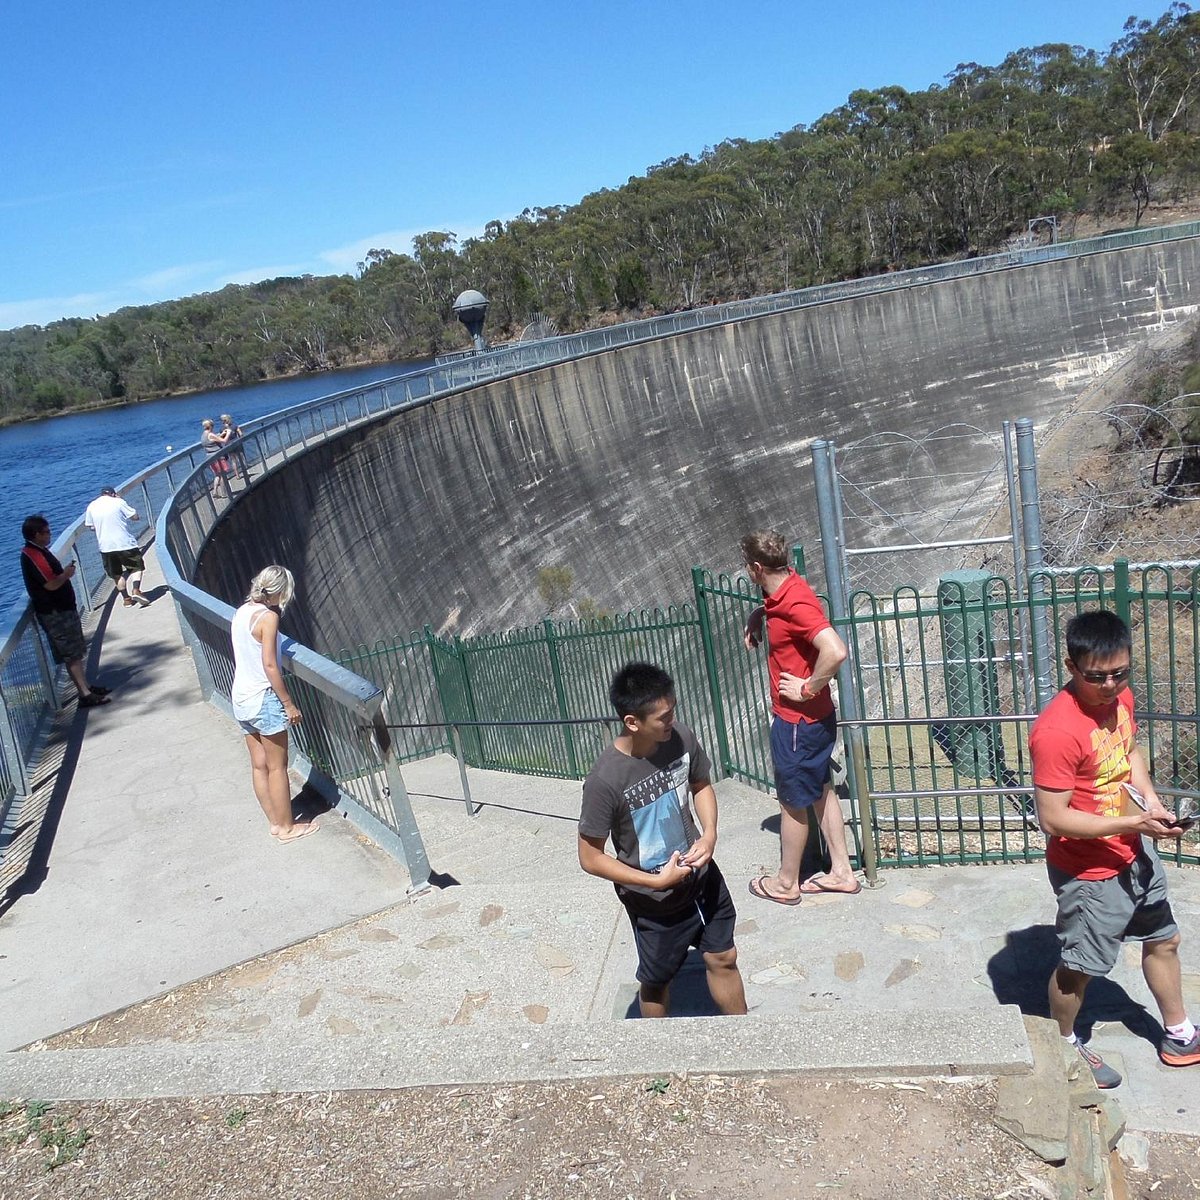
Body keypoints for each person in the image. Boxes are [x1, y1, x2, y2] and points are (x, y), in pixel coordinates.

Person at [1030, 609, 1199, 1089]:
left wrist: (1153, 807)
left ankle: (1180, 1034)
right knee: (1077, 971)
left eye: (1120, 673)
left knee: (1164, 939)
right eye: (1097, 676)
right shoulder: (1057, 731)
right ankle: (1062, 1050)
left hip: (1134, 852)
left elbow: (1129, 756)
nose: (1110, 685)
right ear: (1071, 666)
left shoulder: (1121, 697)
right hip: (1089, 873)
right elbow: (1053, 818)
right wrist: (1134, 822)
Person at [578, 661, 746, 1019]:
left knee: (723, 957)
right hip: (654, 901)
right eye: (663, 717)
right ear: (632, 722)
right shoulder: (604, 780)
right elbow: (590, 857)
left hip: (702, 878)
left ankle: (746, 1040)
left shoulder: (681, 738)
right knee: (657, 981)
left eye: (673, 711)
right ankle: (660, 1061)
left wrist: (711, 834)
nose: (672, 721)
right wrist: (654, 880)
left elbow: (700, 786)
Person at [740, 529, 858, 903]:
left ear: (757, 567)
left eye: (748, 567)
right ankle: (841, 871)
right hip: (817, 722)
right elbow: (785, 612)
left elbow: (836, 650)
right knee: (822, 791)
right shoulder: (788, 588)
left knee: (792, 805)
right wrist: (760, 615)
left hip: (797, 723)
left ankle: (786, 884)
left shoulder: (794, 604)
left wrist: (808, 687)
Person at [230, 565, 317, 843]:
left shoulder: (241, 612)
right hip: (264, 699)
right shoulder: (268, 618)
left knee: (259, 766)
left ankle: (276, 824)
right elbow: (269, 664)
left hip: (241, 698)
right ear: (279, 591)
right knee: (278, 766)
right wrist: (288, 703)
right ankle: (288, 828)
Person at [20, 514, 111, 709]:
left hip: (63, 609)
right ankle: (85, 694)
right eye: (46, 532)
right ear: (36, 534)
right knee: (71, 653)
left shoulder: (40, 551)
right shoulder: (34, 555)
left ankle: (86, 687)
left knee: (76, 651)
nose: (49, 534)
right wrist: (66, 575)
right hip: (55, 612)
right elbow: (51, 584)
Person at [84, 487, 149, 607]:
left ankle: (126, 599)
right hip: (124, 543)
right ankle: (136, 590)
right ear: (113, 494)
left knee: (116, 574)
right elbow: (135, 517)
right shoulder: (119, 502)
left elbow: (91, 526)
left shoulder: (92, 506)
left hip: (105, 546)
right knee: (136, 567)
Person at [201, 418, 232, 499]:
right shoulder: (211, 434)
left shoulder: (203, 435)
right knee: (222, 474)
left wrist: (221, 434)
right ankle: (224, 493)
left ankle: (215, 491)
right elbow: (224, 441)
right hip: (218, 456)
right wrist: (228, 433)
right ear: (211, 426)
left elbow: (212, 440)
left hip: (209, 457)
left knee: (217, 474)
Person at [220, 413, 248, 482]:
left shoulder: (222, 429)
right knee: (241, 458)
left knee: (233, 460)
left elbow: (222, 439)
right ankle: (245, 472)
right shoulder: (235, 426)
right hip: (237, 443)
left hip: (228, 445)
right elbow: (241, 434)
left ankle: (237, 475)